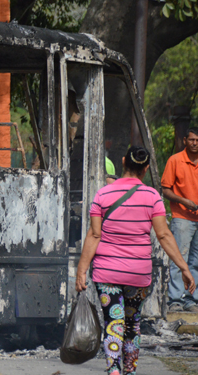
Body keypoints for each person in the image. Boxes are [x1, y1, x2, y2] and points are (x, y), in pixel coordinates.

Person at [76, 146, 196, 375]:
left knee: (113, 323)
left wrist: (82, 270)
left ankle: (113, 370)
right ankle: (129, 371)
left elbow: (94, 235)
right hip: (138, 274)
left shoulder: (102, 194)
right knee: (132, 325)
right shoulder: (152, 196)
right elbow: (163, 235)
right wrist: (184, 267)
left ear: (123, 162)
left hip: (107, 272)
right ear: (146, 168)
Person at [162, 127, 198, 313]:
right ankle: (175, 299)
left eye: (197, 140)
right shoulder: (175, 160)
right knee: (179, 258)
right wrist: (183, 201)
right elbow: (165, 189)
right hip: (182, 217)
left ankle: (192, 299)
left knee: (196, 260)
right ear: (185, 140)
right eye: (191, 140)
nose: (194, 143)